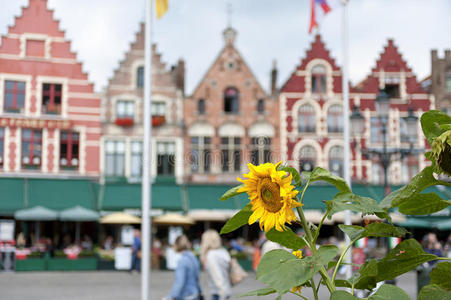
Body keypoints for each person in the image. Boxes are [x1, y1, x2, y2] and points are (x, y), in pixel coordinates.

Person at [166, 235, 201, 300]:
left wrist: (171, 297)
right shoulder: (193, 257)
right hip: (195, 294)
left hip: (186, 295)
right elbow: (197, 277)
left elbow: (180, 282)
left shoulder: (182, 261)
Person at [200, 230, 232, 300]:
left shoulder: (211, 255)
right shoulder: (223, 251)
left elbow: (217, 275)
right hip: (226, 288)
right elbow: (228, 269)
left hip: (219, 292)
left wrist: (223, 292)